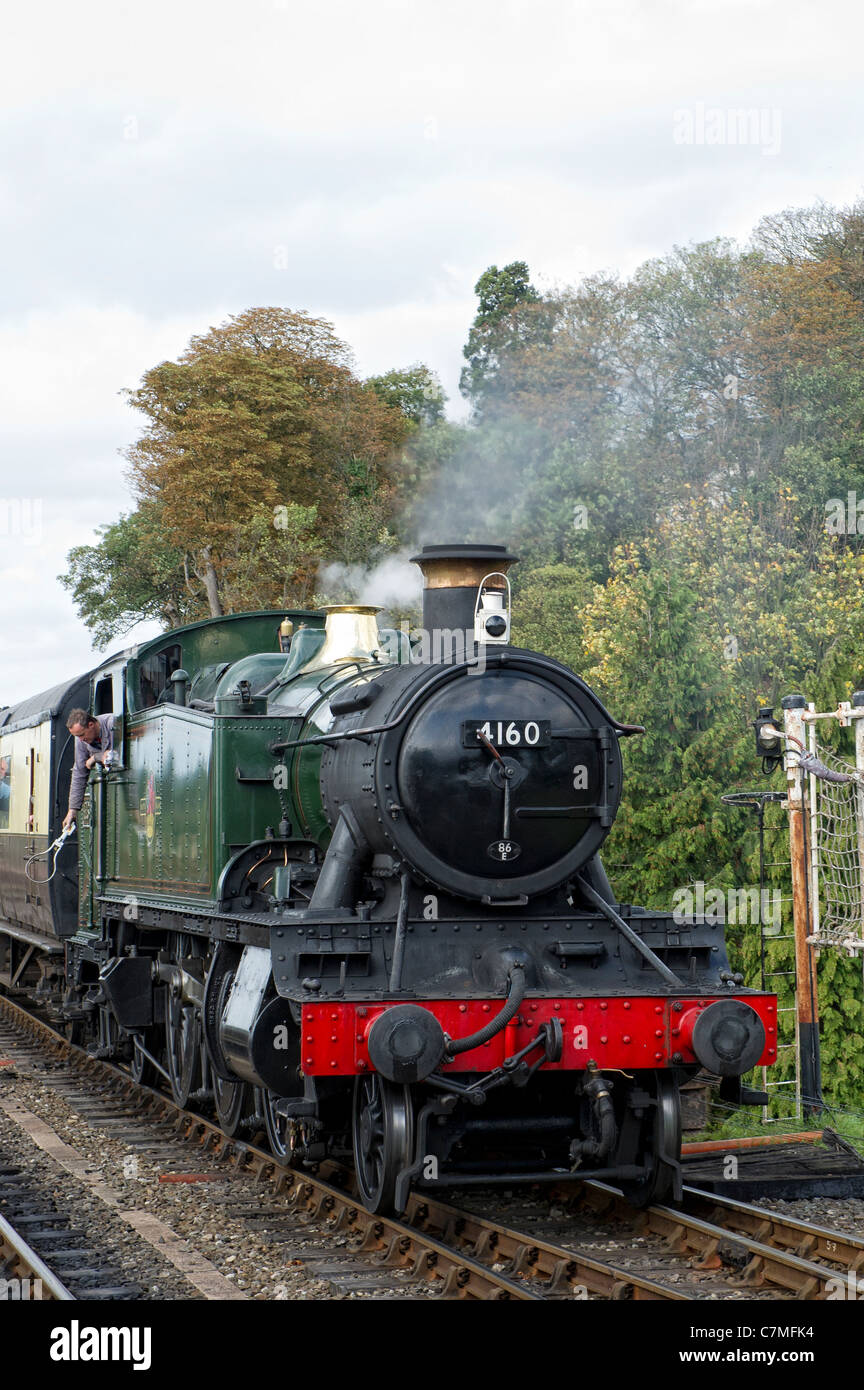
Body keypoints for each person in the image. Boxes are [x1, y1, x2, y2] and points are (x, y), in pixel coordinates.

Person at [62, 710, 115, 831]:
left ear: (91, 725)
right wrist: (72, 810)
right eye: (77, 736)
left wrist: (95, 757)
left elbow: (116, 755)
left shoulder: (112, 724)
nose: (80, 740)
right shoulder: (81, 740)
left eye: (81, 735)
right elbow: (79, 772)